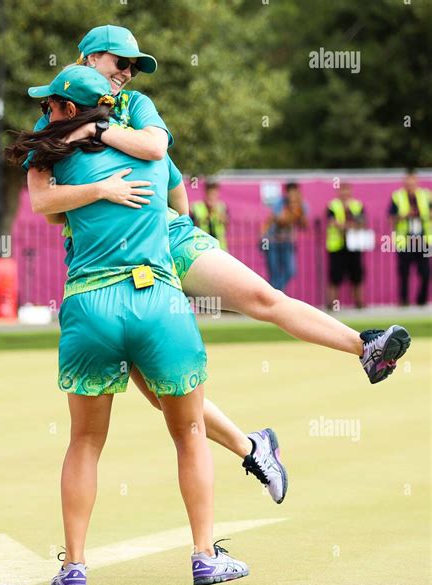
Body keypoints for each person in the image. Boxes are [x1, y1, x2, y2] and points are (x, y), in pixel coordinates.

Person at [24, 25, 411, 512]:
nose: (125, 73)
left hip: (166, 241)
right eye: (118, 62)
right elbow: (49, 207)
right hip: (109, 267)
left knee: (262, 299)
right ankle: (253, 449)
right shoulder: (53, 122)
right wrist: (98, 193)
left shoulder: (137, 107)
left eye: (132, 66)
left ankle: (366, 346)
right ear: (86, 57)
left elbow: (161, 158)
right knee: (167, 397)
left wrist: (99, 134)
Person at [6, 65, 251, 585]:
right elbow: (179, 207)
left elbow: (45, 208)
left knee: (85, 442)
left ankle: (73, 568)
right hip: (157, 302)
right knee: (188, 433)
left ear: (72, 109)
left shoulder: (53, 154)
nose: (44, 112)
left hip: (90, 305)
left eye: (50, 105)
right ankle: (205, 557)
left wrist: (87, 186)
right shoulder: (152, 151)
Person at [389, 170, 431, 306]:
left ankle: (421, 300)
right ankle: (404, 300)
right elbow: (391, 219)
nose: (410, 186)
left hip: (423, 240)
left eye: (413, 183)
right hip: (405, 241)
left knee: (425, 272)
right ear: (404, 184)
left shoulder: (426, 195)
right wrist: (405, 215)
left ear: (417, 183)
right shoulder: (397, 196)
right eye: (408, 183)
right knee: (404, 272)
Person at [326, 183, 367, 309]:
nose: (344, 193)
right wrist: (350, 225)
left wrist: (345, 225)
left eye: (347, 190)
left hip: (354, 246)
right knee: (335, 275)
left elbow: (361, 222)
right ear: (339, 192)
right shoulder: (332, 205)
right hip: (337, 246)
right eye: (342, 191)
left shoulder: (357, 205)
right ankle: (332, 303)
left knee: (357, 274)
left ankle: (359, 302)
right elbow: (332, 223)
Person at [261, 181, 307, 292]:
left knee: (290, 271)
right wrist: (293, 212)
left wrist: (299, 212)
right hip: (272, 242)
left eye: (294, 193)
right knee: (274, 272)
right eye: (290, 193)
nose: (292, 196)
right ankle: (276, 295)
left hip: (287, 242)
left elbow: (304, 225)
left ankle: (275, 293)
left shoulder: (301, 205)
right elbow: (280, 221)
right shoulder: (280, 203)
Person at [191, 180, 229, 251]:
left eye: (214, 193)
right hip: (202, 246)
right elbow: (193, 226)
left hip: (220, 247)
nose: (212, 196)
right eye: (210, 193)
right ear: (206, 193)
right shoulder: (197, 206)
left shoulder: (222, 207)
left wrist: (216, 212)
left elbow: (226, 224)